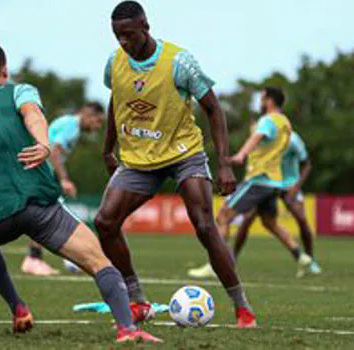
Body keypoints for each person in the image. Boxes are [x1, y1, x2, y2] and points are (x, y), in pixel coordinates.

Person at [0, 41, 161, 343]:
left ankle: (18, 308)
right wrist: (43, 144)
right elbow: (33, 114)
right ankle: (127, 329)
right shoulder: (19, 90)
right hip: (38, 210)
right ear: (5, 70)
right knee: (99, 262)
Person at [95, 1, 256, 328]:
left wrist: (224, 163)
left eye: (128, 34)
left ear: (145, 26)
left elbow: (214, 108)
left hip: (184, 154)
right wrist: (107, 149)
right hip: (139, 159)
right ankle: (138, 301)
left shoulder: (179, 61)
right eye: (117, 36)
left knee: (204, 225)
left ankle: (243, 308)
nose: (123, 42)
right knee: (104, 222)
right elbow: (116, 102)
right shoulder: (114, 63)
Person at [188, 87, 313, 279]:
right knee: (270, 222)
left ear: (269, 100)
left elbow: (258, 136)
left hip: (259, 179)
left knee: (223, 216)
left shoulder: (268, 120)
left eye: (262, 98)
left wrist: (241, 155)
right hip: (275, 181)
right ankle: (301, 255)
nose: (260, 102)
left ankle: (216, 265)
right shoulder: (285, 123)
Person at [21, 102, 105, 276]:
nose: (97, 127)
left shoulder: (69, 124)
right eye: (97, 122)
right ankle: (35, 259)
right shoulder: (72, 127)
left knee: (44, 214)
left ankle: (37, 258)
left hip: (39, 172)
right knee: (47, 214)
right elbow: (54, 151)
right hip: (41, 172)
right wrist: (64, 179)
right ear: (89, 115)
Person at [231, 130, 322, 277]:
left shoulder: (293, 140)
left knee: (301, 218)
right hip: (269, 182)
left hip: (289, 183)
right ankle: (232, 259)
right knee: (248, 219)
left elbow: (307, 164)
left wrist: (296, 186)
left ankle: (310, 261)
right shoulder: (262, 139)